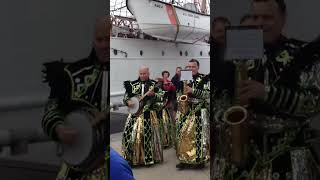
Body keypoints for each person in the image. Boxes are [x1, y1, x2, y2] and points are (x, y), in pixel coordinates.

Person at [212, 0, 320, 179]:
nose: (260, 22)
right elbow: (219, 95)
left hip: (290, 156)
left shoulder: (303, 54)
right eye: (255, 17)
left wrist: (267, 93)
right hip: (244, 154)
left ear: (283, 18)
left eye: (267, 17)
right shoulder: (237, 53)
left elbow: (314, 104)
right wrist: (225, 113)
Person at [41, 17, 109, 180]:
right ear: (93, 42)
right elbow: (50, 110)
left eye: (109, 39)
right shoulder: (71, 74)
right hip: (78, 172)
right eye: (100, 40)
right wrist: (58, 128)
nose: (105, 45)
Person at [122, 66, 166, 166]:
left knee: (149, 136)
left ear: (148, 73)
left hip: (149, 114)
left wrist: (153, 95)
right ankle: (132, 158)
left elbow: (163, 98)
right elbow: (125, 98)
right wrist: (128, 102)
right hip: (134, 115)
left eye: (144, 73)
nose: (142, 75)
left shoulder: (154, 85)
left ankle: (149, 159)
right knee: (131, 136)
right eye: (140, 73)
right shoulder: (132, 84)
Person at [176, 59, 210, 169]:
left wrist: (193, 90)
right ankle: (184, 159)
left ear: (198, 67)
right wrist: (180, 98)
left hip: (200, 110)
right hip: (185, 110)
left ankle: (199, 161)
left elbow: (207, 94)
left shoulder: (204, 78)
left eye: (193, 67)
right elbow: (179, 92)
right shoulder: (185, 77)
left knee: (199, 136)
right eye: (189, 67)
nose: (191, 69)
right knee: (183, 135)